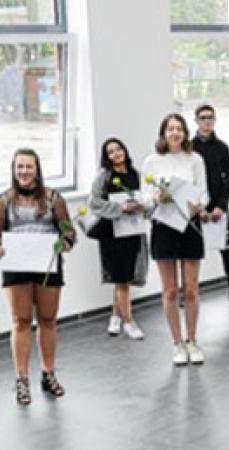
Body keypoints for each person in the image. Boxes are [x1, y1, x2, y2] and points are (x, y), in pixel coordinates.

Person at [0, 148, 72, 405]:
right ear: (14, 170)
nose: (24, 171)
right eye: (20, 167)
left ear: (37, 169)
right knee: (21, 321)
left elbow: (67, 230)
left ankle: (48, 374)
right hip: (17, 267)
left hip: (47, 265)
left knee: (47, 319)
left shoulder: (54, 199)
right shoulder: (3, 201)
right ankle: (21, 379)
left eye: (29, 167)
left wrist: (67, 242)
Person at [142, 113, 209, 366]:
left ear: (185, 133)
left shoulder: (195, 160)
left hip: (190, 225)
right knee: (170, 290)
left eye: (179, 129)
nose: (175, 133)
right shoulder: (152, 161)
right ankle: (177, 343)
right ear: (163, 133)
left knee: (191, 289)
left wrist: (197, 205)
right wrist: (155, 199)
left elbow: (204, 193)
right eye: (170, 129)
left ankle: (192, 340)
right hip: (164, 226)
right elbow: (145, 196)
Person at [88, 138, 149, 340]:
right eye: (111, 152)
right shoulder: (103, 176)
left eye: (119, 149)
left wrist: (141, 207)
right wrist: (120, 208)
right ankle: (129, 322)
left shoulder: (136, 175)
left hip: (132, 231)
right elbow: (94, 203)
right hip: (111, 234)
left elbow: (146, 200)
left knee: (124, 277)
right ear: (107, 157)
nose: (116, 154)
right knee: (121, 278)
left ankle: (115, 315)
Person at [192, 103, 229, 305]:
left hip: (218, 207)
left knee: (226, 248)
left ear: (214, 121)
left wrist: (221, 206)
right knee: (192, 252)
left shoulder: (222, 147)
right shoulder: (189, 148)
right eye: (203, 118)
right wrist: (199, 208)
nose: (207, 121)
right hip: (196, 209)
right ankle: (189, 291)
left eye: (210, 117)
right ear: (196, 121)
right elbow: (188, 182)